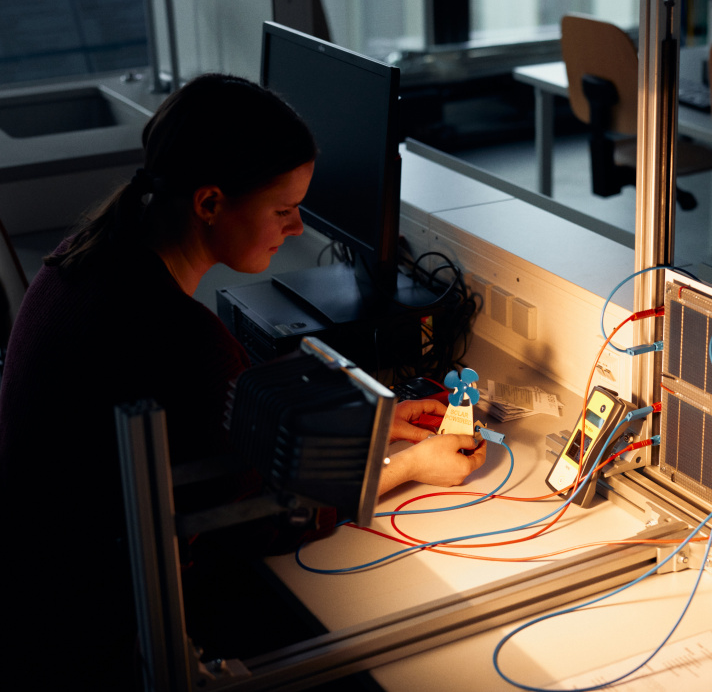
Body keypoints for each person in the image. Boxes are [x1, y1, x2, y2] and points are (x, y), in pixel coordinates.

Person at [0, 73, 484, 689]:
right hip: (91, 638)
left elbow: (226, 433)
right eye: (283, 209)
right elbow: (271, 521)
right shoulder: (182, 339)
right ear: (209, 203)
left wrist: (375, 423)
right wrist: (410, 467)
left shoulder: (89, 257)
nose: (298, 227)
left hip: (31, 594)